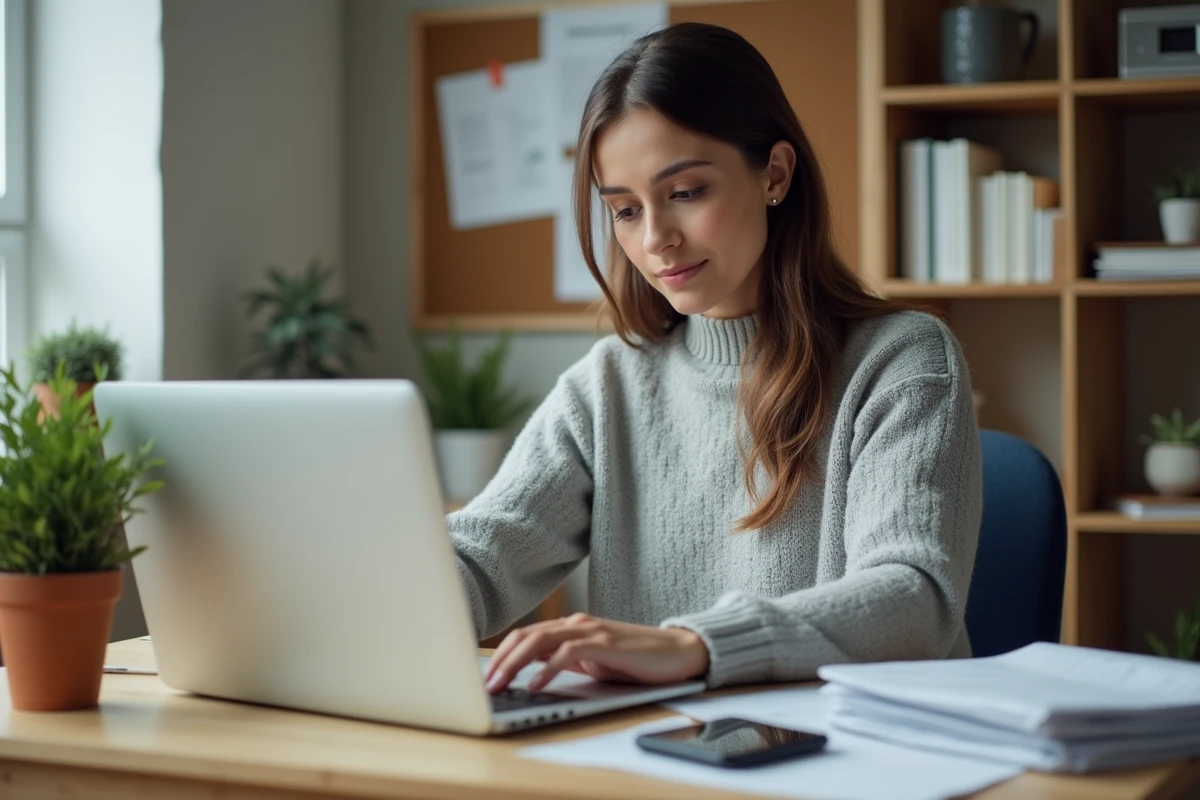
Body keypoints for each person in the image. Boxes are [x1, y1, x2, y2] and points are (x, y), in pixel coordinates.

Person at [449, 22, 981, 696]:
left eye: (686, 193)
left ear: (775, 175)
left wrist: (693, 646)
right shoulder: (607, 383)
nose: (655, 240)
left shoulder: (901, 360)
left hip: (850, 759)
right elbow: (485, 553)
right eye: (624, 209)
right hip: (654, 755)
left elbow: (914, 599)